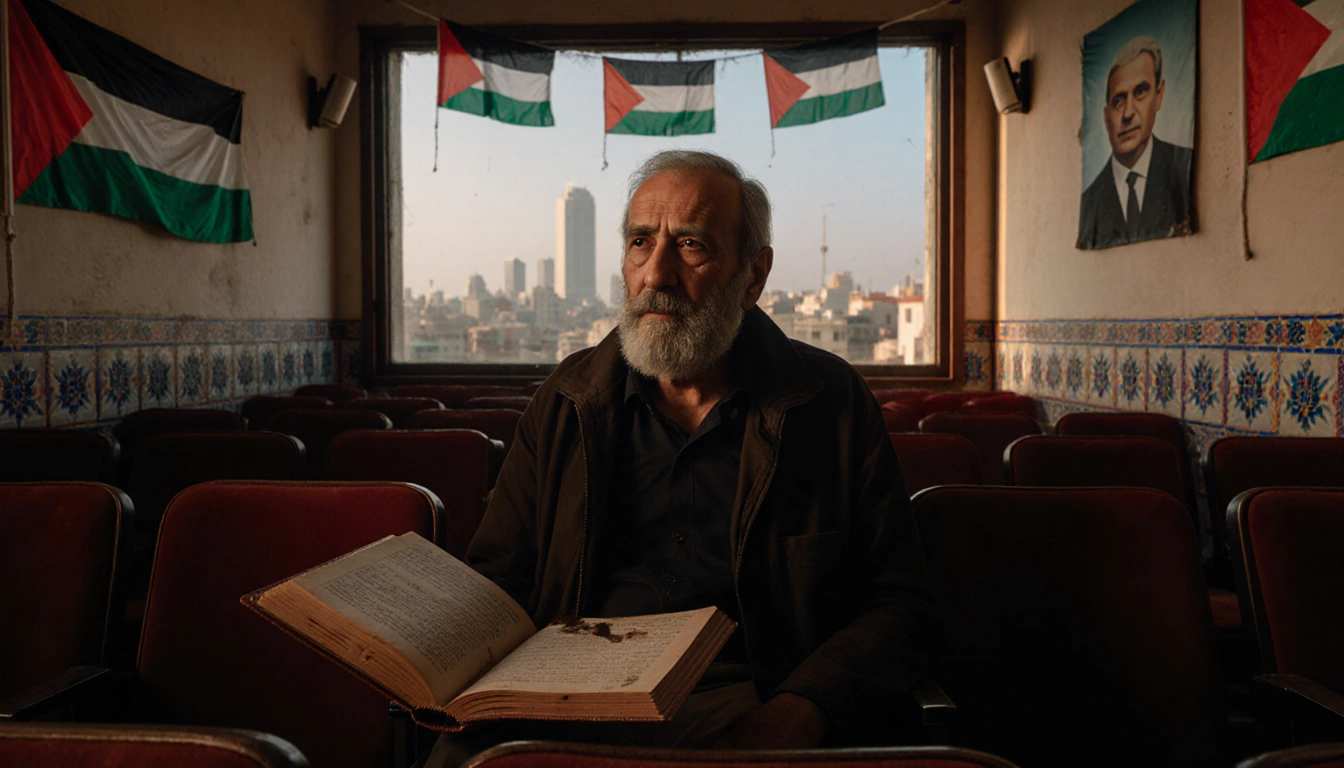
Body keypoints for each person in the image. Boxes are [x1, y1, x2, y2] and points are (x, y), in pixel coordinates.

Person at [426, 150, 933, 766]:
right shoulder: (567, 402)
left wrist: (797, 713)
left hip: (755, 701)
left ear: (752, 276)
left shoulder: (828, 404)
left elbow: (898, 603)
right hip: (572, 706)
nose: (657, 273)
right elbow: (501, 581)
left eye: (690, 245)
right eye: (641, 242)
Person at [1078, 35, 1192, 250]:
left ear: (1158, 96)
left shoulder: (1183, 167)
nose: (1128, 113)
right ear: (1106, 116)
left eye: (1140, 92)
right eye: (1118, 100)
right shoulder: (1091, 201)